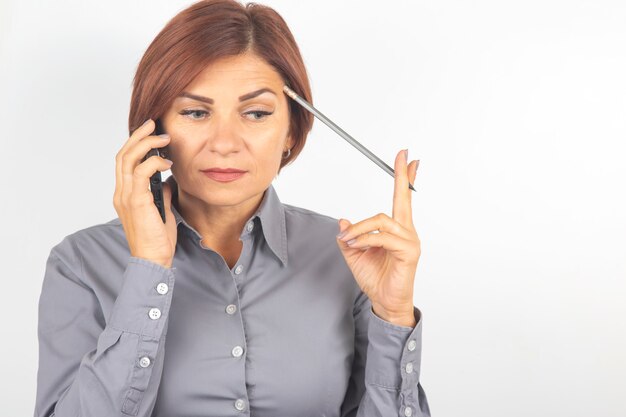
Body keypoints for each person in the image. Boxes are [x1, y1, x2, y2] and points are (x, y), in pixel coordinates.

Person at [34, 1, 430, 416]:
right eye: (195, 112)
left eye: (256, 113)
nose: (225, 142)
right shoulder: (80, 264)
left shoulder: (351, 258)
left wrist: (393, 315)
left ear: (291, 131)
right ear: (153, 131)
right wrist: (148, 267)